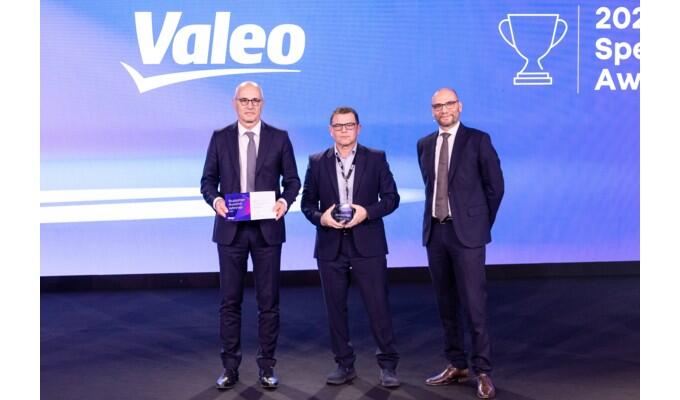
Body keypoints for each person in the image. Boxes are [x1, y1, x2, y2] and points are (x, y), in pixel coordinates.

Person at [200, 81, 301, 390]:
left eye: (255, 100)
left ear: (262, 104)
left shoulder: (279, 138)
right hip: (231, 230)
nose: (249, 105)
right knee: (229, 302)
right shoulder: (220, 138)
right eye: (244, 100)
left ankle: (267, 367)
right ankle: (230, 367)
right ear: (235, 103)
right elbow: (207, 182)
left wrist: (284, 202)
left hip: (267, 231)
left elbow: (293, 181)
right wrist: (216, 201)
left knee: (268, 302)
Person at [301, 107, 401, 388]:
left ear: (359, 128)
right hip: (330, 245)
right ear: (330, 130)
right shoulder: (316, 161)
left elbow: (391, 198)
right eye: (338, 126)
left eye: (349, 125)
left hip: (368, 243)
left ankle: (388, 366)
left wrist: (366, 212)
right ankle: (344, 363)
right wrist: (321, 218)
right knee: (335, 309)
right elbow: (307, 204)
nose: (344, 130)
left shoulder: (376, 158)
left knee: (378, 306)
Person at [417, 88, 504, 399]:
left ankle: (483, 370)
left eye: (449, 104)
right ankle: (456, 364)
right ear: (432, 111)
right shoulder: (424, 144)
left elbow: (495, 187)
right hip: (436, 233)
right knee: (446, 304)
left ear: (460, 106)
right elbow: (430, 186)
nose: (444, 110)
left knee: (474, 305)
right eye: (437, 106)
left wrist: (478, 224)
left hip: (467, 235)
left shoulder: (478, 140)